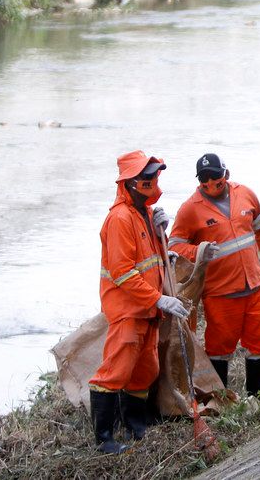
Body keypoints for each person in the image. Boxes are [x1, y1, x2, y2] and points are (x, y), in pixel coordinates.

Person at [89, 150, 191, 454]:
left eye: (153, 176)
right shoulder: (120, 218)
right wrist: (160, 299)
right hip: (128, 310)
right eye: (145, 177)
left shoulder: (144, 212)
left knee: (145, 369)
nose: (151, 181)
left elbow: (148, 259)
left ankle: (135, 423)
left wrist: (163, 237)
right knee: (115, 371)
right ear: (130, 182)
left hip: (147, 309)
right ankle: (104, 438)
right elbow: (123, 272)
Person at [168, 153, 260, 397]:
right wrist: (198, 251)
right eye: (204, 179)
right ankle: (219, 399)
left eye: (215, 177)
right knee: (219, 348)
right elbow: (173, 247)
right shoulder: (189, 209)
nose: (210, 183)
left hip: (254, 287)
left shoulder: (246, 194)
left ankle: (256, 396)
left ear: (226, 174)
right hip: (220, 293)